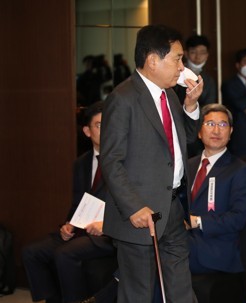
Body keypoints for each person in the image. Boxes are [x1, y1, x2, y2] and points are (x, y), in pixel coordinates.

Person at [100, 25, 203, 303]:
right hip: (138, 214)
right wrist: (133, 207)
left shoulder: (169, 94)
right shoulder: (122, 99)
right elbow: (111, 161)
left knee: (181, 289)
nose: (183, 68)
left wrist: (191, 105)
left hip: (171, 206)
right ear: (153, 60)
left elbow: (186, 141)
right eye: (178, 59)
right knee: (138, 294)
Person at [23, 101, 115, 303]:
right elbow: (77, 204)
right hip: (82, 229)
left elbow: (130, 205)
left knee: (64, 254)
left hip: (110, 233)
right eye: (99, 125)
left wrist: (106, 224)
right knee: (32, 252)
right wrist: (68, 225)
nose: (106, 129)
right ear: (87, 131)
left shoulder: (123, 161)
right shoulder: (81, 163)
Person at [187, 103, 246, 274]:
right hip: (183, 240)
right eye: (210, 124)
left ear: (230, 132)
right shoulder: (187, 166)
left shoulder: (239, 170)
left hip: (215, 247)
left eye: (223, 125)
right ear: (199, 132)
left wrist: (197, 221)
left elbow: (238, 218)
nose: (216, 131)